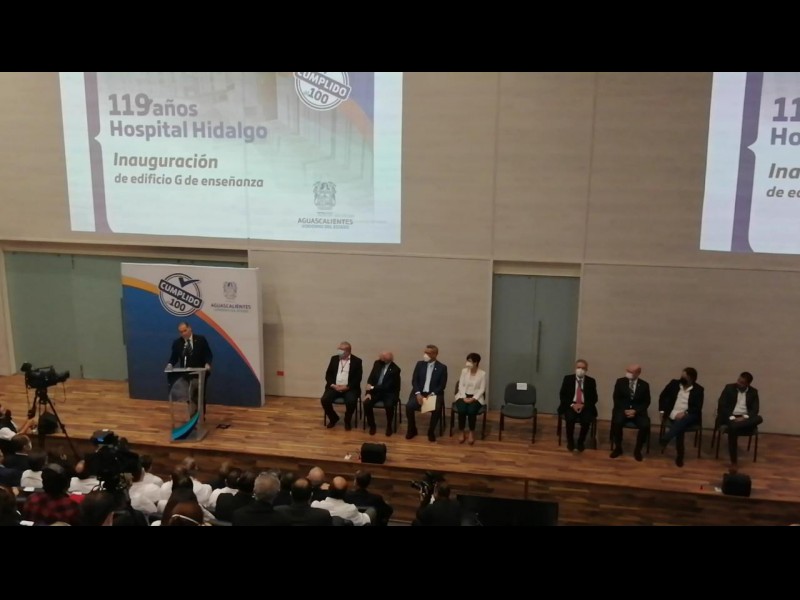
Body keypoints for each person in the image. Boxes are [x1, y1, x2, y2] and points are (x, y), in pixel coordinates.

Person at [715, 371, 763, 470]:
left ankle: (733, 426)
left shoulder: (753, 392)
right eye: (738, 381)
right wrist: (733, 418)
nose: (738, 383)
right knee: (733, 428)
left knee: (759, 418)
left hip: (744, 418)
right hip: (731, 416)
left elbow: (755, 410)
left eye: (742, 383)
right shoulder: (729, 388)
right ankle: (734, 462)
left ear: (748, 384)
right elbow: (722, 406)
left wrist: (744, 417)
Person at [659, 367, 704, 467]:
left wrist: (685, 413)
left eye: (684, 377)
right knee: (680, 427)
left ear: (691, 378)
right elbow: (663, 396)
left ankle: (667, 438)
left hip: (689, 414)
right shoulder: (674, 384)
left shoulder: (698, 390)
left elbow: (697, 407)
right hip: (673, 412)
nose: (681, 378)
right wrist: (662, 410)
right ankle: (680, 455)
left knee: (682, 421)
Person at [166, 321, 213, 417]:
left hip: (199, 374)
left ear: (190, 328)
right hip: (185, 374)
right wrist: (170, 364)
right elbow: (174, 358)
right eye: (181, 332)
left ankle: (200, 417)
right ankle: (193, 417)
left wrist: (207, 363)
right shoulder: (177, 343)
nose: (183, 333)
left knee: (198, 396)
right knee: (189, 396)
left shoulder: (201, 340)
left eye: (185, 330)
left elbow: (208, 354)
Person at [406, 344, 448, 442]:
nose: (425, 355)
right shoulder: (419, 364)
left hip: (433, 394)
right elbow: (414, 381)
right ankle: (412, 429)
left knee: (436, 409)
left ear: (435, 354)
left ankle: (431, 431)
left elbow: (442, 385)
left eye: (428, 353)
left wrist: (432, 394)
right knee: (409, 406)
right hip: (420, 393)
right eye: (425, 352)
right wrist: (418, 393)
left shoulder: (442, 367)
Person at [609, 364, 651, 462]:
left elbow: (646, 402)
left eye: (631, 372)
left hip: (638, 412)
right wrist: (625, 410)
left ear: (638, 373)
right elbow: (616, 398)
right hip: (623, 410)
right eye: (628, 371)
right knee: (617, 422)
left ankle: (638, 450)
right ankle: (618, 447)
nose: (628, 373)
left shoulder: (644, 385)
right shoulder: (620, 382)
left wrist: (635, 411)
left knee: (645, 425)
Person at [320, 341, 363, 431]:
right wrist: (333, 385)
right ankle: (333, 418)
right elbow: (328, 374)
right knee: (324, 400)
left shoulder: (357, 361)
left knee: (351, 401)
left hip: (349, 388)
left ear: (348, 351)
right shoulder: (334, 359)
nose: (338, 351)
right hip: (334, 387)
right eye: (338, 349)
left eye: (341, 350)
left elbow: (357, 378)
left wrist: (347, 387)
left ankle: (347, 420)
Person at [558, 359, 598, 452]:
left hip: (585, 406)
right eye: (578, 367)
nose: (580, 370)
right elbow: (562, 395)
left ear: (586, 370)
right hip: (570, 405)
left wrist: (583, 405)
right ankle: (570, 442)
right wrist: (573, 405)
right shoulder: (567, 379)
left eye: (583, 368)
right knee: (570, 418)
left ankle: (581, 442)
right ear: (575, 368)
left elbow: (594, 398)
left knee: (586, 420)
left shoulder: (591, 381)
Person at [363, 350, 401, 436]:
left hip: (389, 393)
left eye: (381, 358)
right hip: (375, 392)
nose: (379, 359)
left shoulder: (395, 369)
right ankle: (372, 425)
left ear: (386, 360)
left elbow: (387, 386)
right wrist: (368, 392)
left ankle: (389, 425)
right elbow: (371, 378)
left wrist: (372, 387)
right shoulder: (377, 363)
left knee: (389, 406)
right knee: (367, 403)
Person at [454, 352, 487, 445]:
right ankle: (461, 431)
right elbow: (461, 385)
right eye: (467, 360)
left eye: (470, 361)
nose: (467, 363)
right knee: (462, 410)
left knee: (472, 411)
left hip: (476, 397)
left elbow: (482, 389)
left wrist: (474, 398)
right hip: (463, 395)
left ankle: (471, 432)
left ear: (476, 362)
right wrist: (464, 397)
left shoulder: (482, 374)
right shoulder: (464, 371)